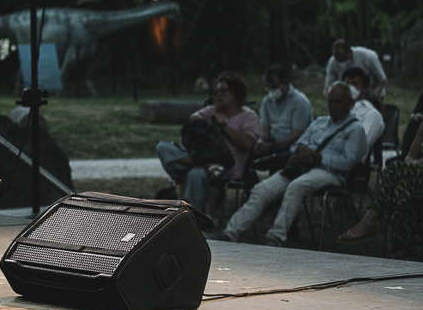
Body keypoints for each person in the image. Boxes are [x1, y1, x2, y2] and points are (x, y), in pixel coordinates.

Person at [215, 82, 368, 246]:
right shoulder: (320, 122)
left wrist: (319, 158)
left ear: (349, 104)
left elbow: (349, 162)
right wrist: (301, 152)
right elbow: (297, 145)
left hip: (331, 172)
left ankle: (276, 237)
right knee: (262, 189)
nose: (333, 106)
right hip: (301, 166)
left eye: (338, 102)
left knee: (297, 186)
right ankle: (231, 232)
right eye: (330, 101)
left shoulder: (355, 129)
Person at [157, 72, 261, 214]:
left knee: (195, 174)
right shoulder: (213, 110)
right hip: (205, 159)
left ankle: (191, 219)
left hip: (228, 166)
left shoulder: (248, 116)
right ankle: (204, 163)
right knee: (164, 147)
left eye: (223, 91)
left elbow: (248, 144)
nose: (218, 95)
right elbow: (192, 120)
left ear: (236, 94)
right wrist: (204, 120)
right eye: (216, 91)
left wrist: (223, 125)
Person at [337, 112, 423, 255]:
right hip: (417, 179)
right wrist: (412, 166)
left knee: (395, 170)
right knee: (402, 189)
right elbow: (410, 157)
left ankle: (371, 221)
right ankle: (401, 250)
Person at [255, 64, 312, 163]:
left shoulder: (300, 102)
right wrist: (263, 142)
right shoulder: (267, 101)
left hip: (293, 148)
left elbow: (297, 135)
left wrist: (273, 147)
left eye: (274, 87)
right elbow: (265, 128)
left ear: (285, 83)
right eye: (268, 87)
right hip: (273, 145)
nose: (271, 91)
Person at [341, 66, 384, 151]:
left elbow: (359, 147)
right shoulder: (338, 109)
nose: (350, 88)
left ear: (365, 88)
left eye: (355, 84)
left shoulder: (371, 114)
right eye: (347, 84)